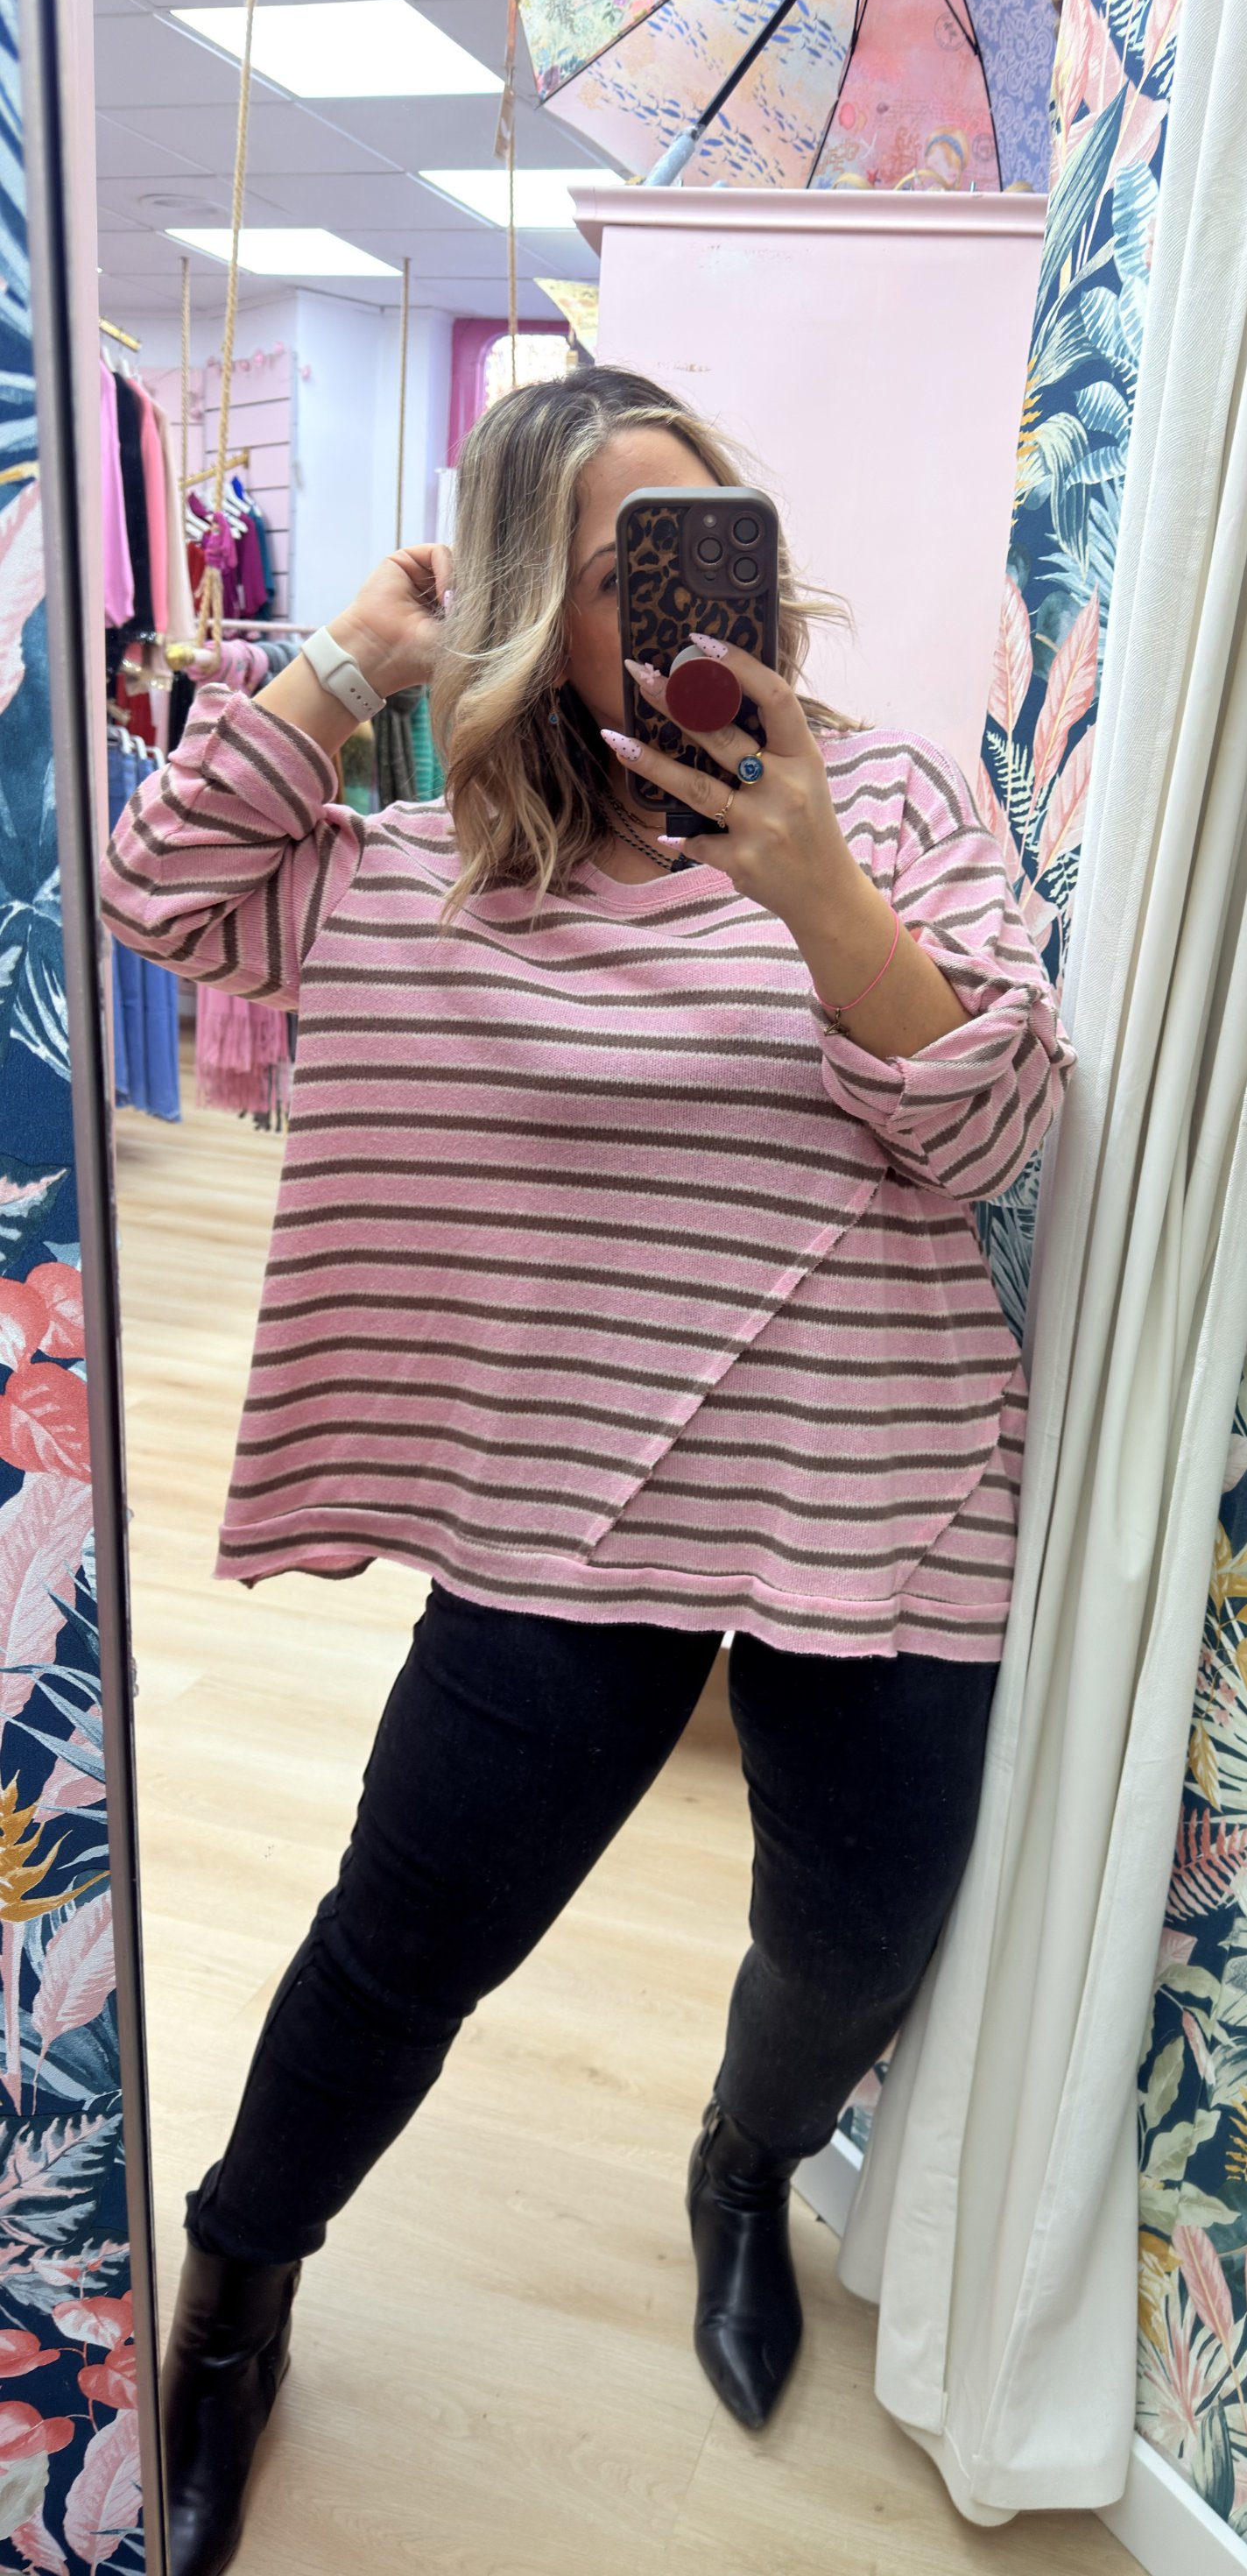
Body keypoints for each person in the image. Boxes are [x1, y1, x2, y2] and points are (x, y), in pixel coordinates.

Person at [100, 365, 1074, 2576]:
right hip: (560, 1521)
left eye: (703, 542)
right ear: (533, 610)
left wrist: (816, 888)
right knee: (401, 1943)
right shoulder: (427, 868)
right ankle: (237, 2294)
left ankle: (744, 2160)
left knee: (856, 1937)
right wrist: (351, 658)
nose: (684, 602)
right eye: (620, 572)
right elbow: (155, 898)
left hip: (878, 1498)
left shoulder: (888, 802)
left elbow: (992, 1126)